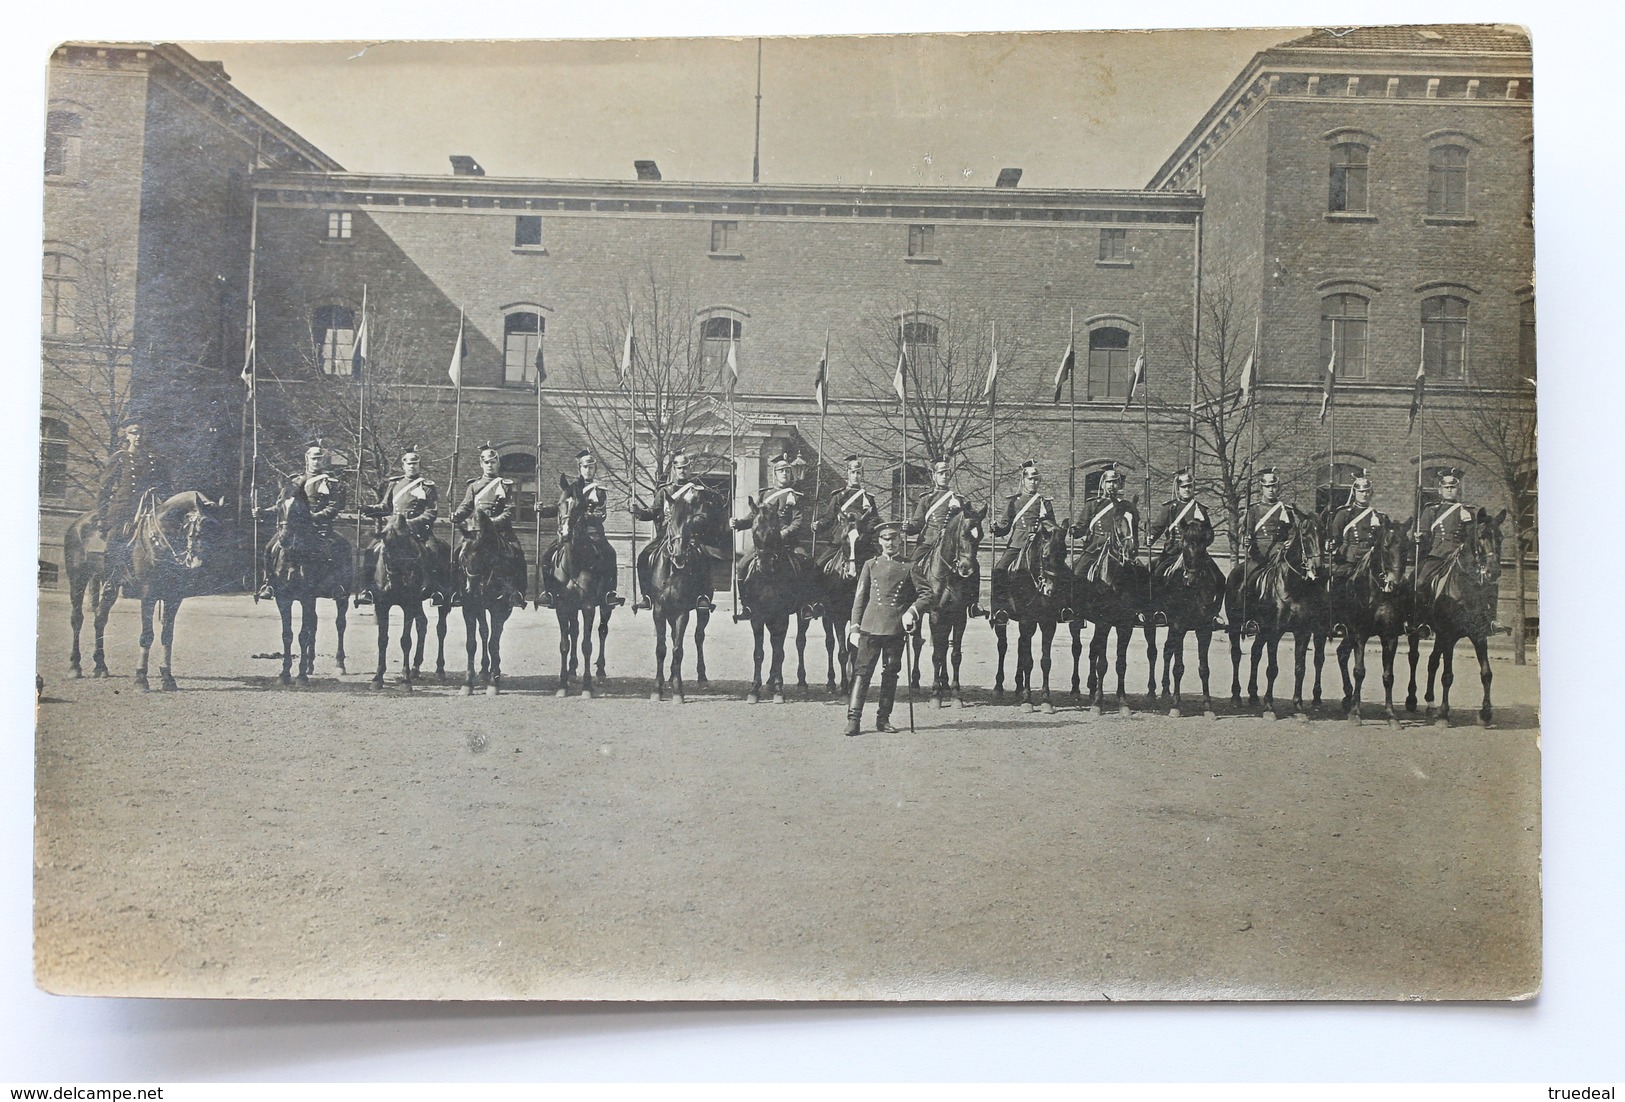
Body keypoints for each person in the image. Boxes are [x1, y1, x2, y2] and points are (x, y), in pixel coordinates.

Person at [844, 521, 924, 736]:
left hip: (895, 629)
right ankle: (853, 719)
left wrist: (912, 611)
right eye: (885, 539)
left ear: (900, 540)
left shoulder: (909, 566)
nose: (890, 543)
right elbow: (860, 598)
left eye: (894, 538)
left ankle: (883, 719)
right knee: (861, 673)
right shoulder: (870, 564)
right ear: (879, 542)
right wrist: (854, 627)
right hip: (870, 627)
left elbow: (927, 594)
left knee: (890, 674)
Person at [254, 440, 349, 600]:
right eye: (313, 458)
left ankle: (338, 586)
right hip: (292, 528)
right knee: (270, 548)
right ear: (307, 459)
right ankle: (269, 583)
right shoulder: (295, 482)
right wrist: (262, 512)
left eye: (319, 458)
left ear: (324, 460)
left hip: (318, 527)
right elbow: (282, 506)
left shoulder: (331, 482)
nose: (316, 461)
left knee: (341, 548)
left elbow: (333, 508)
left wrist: (312, 516)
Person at [1415, 466, 1505, 633]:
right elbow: (1426, 534)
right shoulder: (1431, 510)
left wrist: (1469, 522)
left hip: (1459, 555)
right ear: (1440, 490)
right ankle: (1422, 621)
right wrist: (1419, 536)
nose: (1450, 490)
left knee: (1486, 582)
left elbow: (1473, 538)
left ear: (1458, 490)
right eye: (1446, 488)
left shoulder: (1467, 511)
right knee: (1420, 582)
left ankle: (1490, 620)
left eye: (1453, 487)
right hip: (1437, 555)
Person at [357, 444, 450, 605]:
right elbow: (386, 507)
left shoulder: (427, 486)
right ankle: (369, 590)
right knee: (371, 550)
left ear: (419, 465)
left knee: (434, 550)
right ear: (403, 465)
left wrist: (409, 523)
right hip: (393, 530)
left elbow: (430, 512)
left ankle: (437, 590)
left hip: (419, 531)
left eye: (415, 463)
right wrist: (367, 508)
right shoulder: (395, 484)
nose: (412, 466)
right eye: (409, 463)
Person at [633, 451, 720, 612]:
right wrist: (639, 512)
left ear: (689, 469)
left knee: (704, 558)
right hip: (666, 536)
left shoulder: (696, 492)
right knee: (644, 557)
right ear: (674, 469)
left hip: (689, 536)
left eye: (685, 468)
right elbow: (654, 511)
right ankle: (646, 596)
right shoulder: (664, 491)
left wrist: (687, 524)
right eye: (679, 468)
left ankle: (703, 596)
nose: (682, 471)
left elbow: (703, 515)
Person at [904, 453, 985, 617]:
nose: (944, 476)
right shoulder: (927, 499)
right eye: (941, 473)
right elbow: (918, 523)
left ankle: (972, 604)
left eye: (947, 473)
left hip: (951, 546)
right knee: (909, 567)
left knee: (974, 566)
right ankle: (906, 603)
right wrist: (908, 527)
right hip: (928, 542)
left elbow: (967, 525)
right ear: (934, 476)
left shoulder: (958, 499)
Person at [537, 449, 619, 609]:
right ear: (579, 469)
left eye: (591, 467)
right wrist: (543, 510)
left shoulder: (599, 491)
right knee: (547, 555)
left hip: (593, 534)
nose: (588, 470)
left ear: (595, 470)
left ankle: (609, 593)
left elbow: (600, 513)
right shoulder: (571, 488)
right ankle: (549, 593)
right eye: (585, 467)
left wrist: (582, 516)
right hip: (570, 533)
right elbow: (560, 507)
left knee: (610, 554)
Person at [95, 418, 171, 590]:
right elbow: (104, 489)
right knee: (114, 540)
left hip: (149, 509)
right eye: (134, 433)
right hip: (123, 510)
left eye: (142, 433)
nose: (138, 437)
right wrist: (102, 517)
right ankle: (110, 580)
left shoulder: (155, 460)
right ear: (126, 435)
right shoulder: (119, 458)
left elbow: (167, 487)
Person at [450, 443, 528, 608]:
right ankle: (456, 591)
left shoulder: (505, 485)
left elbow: (509, 510)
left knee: (518, 553)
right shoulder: (474, 485)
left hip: (500, 531)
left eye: (493, 462)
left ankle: (518, 592)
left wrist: (492, 522)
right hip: (476, 530)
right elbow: (466, 505)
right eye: (487, 462)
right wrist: (457, 514)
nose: (490, 465)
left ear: (498, 464)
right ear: (481, 464)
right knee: (457, 552)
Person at [1146, 467, 1225, 625]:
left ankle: (1214, 614)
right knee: (1153, 574)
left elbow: (1209, 533)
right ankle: (1157, 611)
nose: (1187, 489)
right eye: (1184, 487)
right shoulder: (1170, 508)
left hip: (1196, 553)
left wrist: (1202, 542)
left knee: (1220, 579)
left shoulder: (1200, 509)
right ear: (1178, 488)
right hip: (1172, 552)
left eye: (1190, 486)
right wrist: (1150, 538)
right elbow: (1157, 528)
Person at [989, 459, 1058, 625]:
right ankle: (1000, 609)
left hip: (1039, 545)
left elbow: (1052, 525)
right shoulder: (1015, 501)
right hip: (1017, 544)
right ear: (1023, 480)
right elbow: (1005, 526)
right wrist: (996, 528)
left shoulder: (1044, 502)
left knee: (1058, 569)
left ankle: (1061, 607)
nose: (1034, 482)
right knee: (1000, 569)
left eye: (1036, 479)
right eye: (1030, 479)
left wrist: (1042, 530)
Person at [732, 452, 809, 590]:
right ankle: (746, 603)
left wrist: (784, 533)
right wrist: (738, 523)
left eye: (787, 471)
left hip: (787, 543)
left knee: (806, 564)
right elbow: (753, 517)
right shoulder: (765, 495)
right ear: (775, 474)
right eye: (781, 471)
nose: (784, 473)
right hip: (765, 544)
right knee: (742, 565)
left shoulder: (794, 496)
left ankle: (805, 607)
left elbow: (798, 521)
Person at [1070, 463, 1140, 584]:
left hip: (1119, 549)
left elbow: (1133, 530)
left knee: (1142, 576)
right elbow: (1082, 527)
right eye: (1108, 482)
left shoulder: (1127, 506)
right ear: (1102, 484)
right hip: (1095, 548)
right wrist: (1075, 531)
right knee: (1078, 573)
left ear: (1119, 485)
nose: (1111, 485)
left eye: (1114, 482)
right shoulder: (1092, 504)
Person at [814, 455, 884, 547]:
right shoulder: (838, 496)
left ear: (862, 475)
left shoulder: (868, 498)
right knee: (822, 561)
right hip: (840, 538)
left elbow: (873, 519)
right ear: (848, 473)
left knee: (876, 560)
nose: (855, 476)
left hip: (861, 539)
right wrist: (818, 525)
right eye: (853, 472)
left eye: (858, 473)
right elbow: (829, 518)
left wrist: (866, 532)